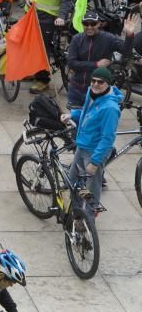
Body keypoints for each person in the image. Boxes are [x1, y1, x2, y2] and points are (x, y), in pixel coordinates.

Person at [61, 67, 122, 212]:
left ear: (108, 84)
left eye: (100, 82)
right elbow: (87, 113)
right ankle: (72, 210)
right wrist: (72, 115)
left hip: (94, 152)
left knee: (91, 189)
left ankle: (89, 217)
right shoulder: (92, 92)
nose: (95, 84)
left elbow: (108, 138)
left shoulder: (110, 109)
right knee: (72, 181)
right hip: (82, 145)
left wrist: (95, 162)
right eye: (93, 81)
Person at [25, 0, 73, 94]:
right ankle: (33, 70)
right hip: (32, 14)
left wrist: (61, 16)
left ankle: (43, 80)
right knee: (30, 44)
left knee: (42, 49)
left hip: (50, 17)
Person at [66, 11, 137, 110]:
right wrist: (96, 64)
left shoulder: (108, 38)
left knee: (94, 123)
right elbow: (71, 63)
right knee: (75, 121)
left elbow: (126, 51)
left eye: (93, 24)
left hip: (98, 91)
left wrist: (129, 35)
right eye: (86, 24)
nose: (89, 27)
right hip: (76, 89)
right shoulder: (76, 39)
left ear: (99, 23)